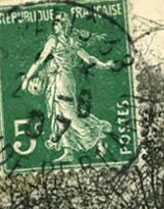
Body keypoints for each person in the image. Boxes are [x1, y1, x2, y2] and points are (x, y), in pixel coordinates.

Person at [19, 11, 115, 163]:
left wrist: (104, 65)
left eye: (58, 22)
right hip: (55, 81)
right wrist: (27, 78)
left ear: (64, 25)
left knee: (70, 116)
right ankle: (68, 151)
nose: (55, 25)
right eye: (55, 22)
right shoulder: (52, 41)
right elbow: (40, 61)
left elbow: (88, 58)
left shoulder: (71, 42)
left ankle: (98, 136)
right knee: (59, 116)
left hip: (65, 81)